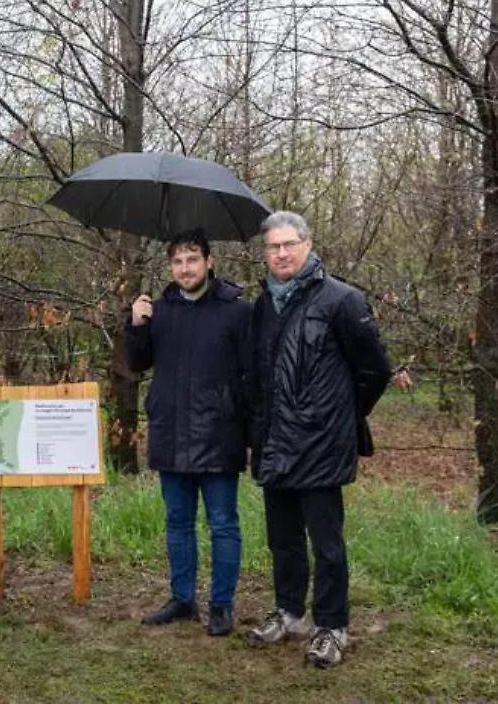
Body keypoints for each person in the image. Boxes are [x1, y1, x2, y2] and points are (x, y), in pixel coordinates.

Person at [245, 211, 391, 668]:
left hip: (322, 446)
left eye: (289, 244)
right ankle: (289, 612)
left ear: (308, 245)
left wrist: (342, 416)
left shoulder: (342, 300)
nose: (281, 253)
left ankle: (332, 626)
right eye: (273, 247)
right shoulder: (263, 306)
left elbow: (375, 370)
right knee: (283, 539)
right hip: (275, 443)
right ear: (265, 253)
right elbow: (259, 375)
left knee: (327, 545)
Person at [125, 229, 251, 637]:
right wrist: (137, 324)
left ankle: (221, 605)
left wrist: (246, 426)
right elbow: (137, 363)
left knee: (223, 523)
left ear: (209, 262)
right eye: (177, 261)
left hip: (220, 434)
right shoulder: (159, 311)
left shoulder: (237, 310)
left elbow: (253, 374)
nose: (185, 268)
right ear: (170, 267)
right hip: (171, 432)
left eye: (192, 259)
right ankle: (182, 599)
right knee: (177, 522)